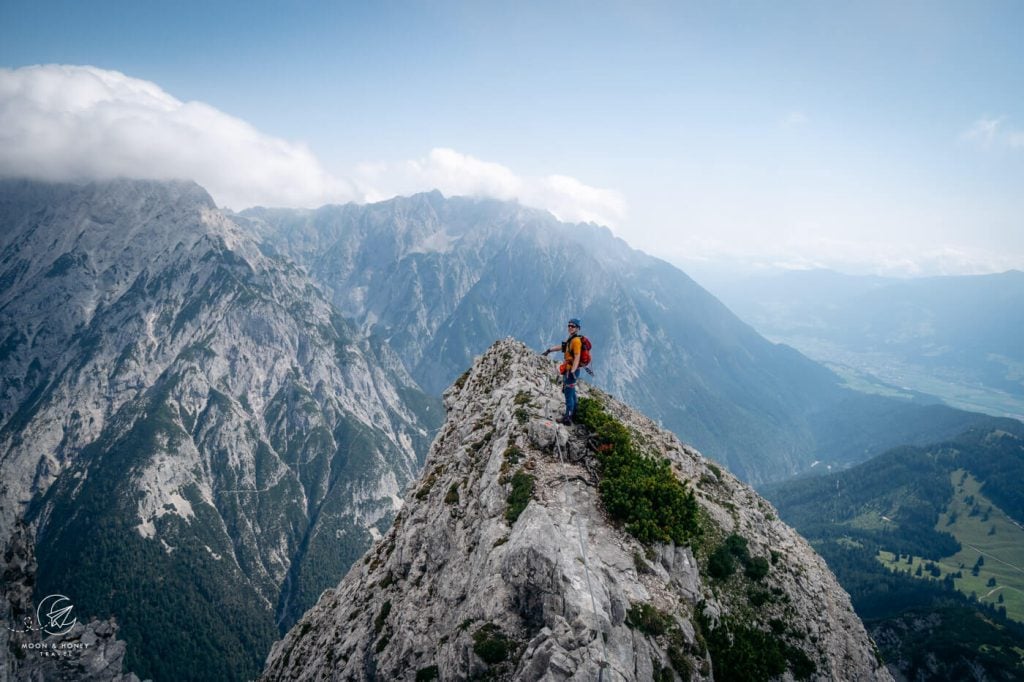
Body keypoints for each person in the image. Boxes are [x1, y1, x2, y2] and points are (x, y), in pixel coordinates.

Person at [542, 318, 584, 425]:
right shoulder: (571, 338)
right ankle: (575, 412)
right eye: (569, 325)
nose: (570, 327)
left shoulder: (576, 341)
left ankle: (567, 418)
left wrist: (573, 371)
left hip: (571, 371)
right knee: (572, 391)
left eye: (573, 326)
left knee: (568, 394)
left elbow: (577, 357)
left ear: (577, 328)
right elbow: (562, 347)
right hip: (569, 369)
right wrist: (549, 350)